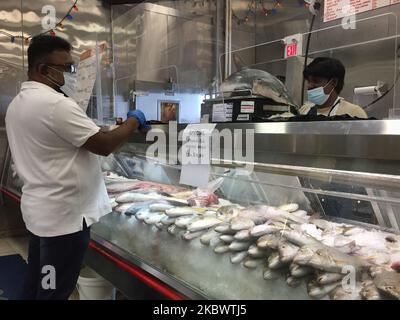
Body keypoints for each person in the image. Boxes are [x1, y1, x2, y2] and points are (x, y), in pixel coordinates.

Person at [5, 35, 150, 300]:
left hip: (42, 214)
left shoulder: (18, 104)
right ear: (42, 69)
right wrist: (132, 121)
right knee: (54, 291)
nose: (71, 74)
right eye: (65, 67)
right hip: (64, 221)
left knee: (38, 282)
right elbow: (104, 145)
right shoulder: (55, 104)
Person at [300, 57, 368, 119]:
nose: (309, 86)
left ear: (333, 82)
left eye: (316, 81)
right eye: (308, 81)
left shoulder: (354, 112)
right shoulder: (304, 110)